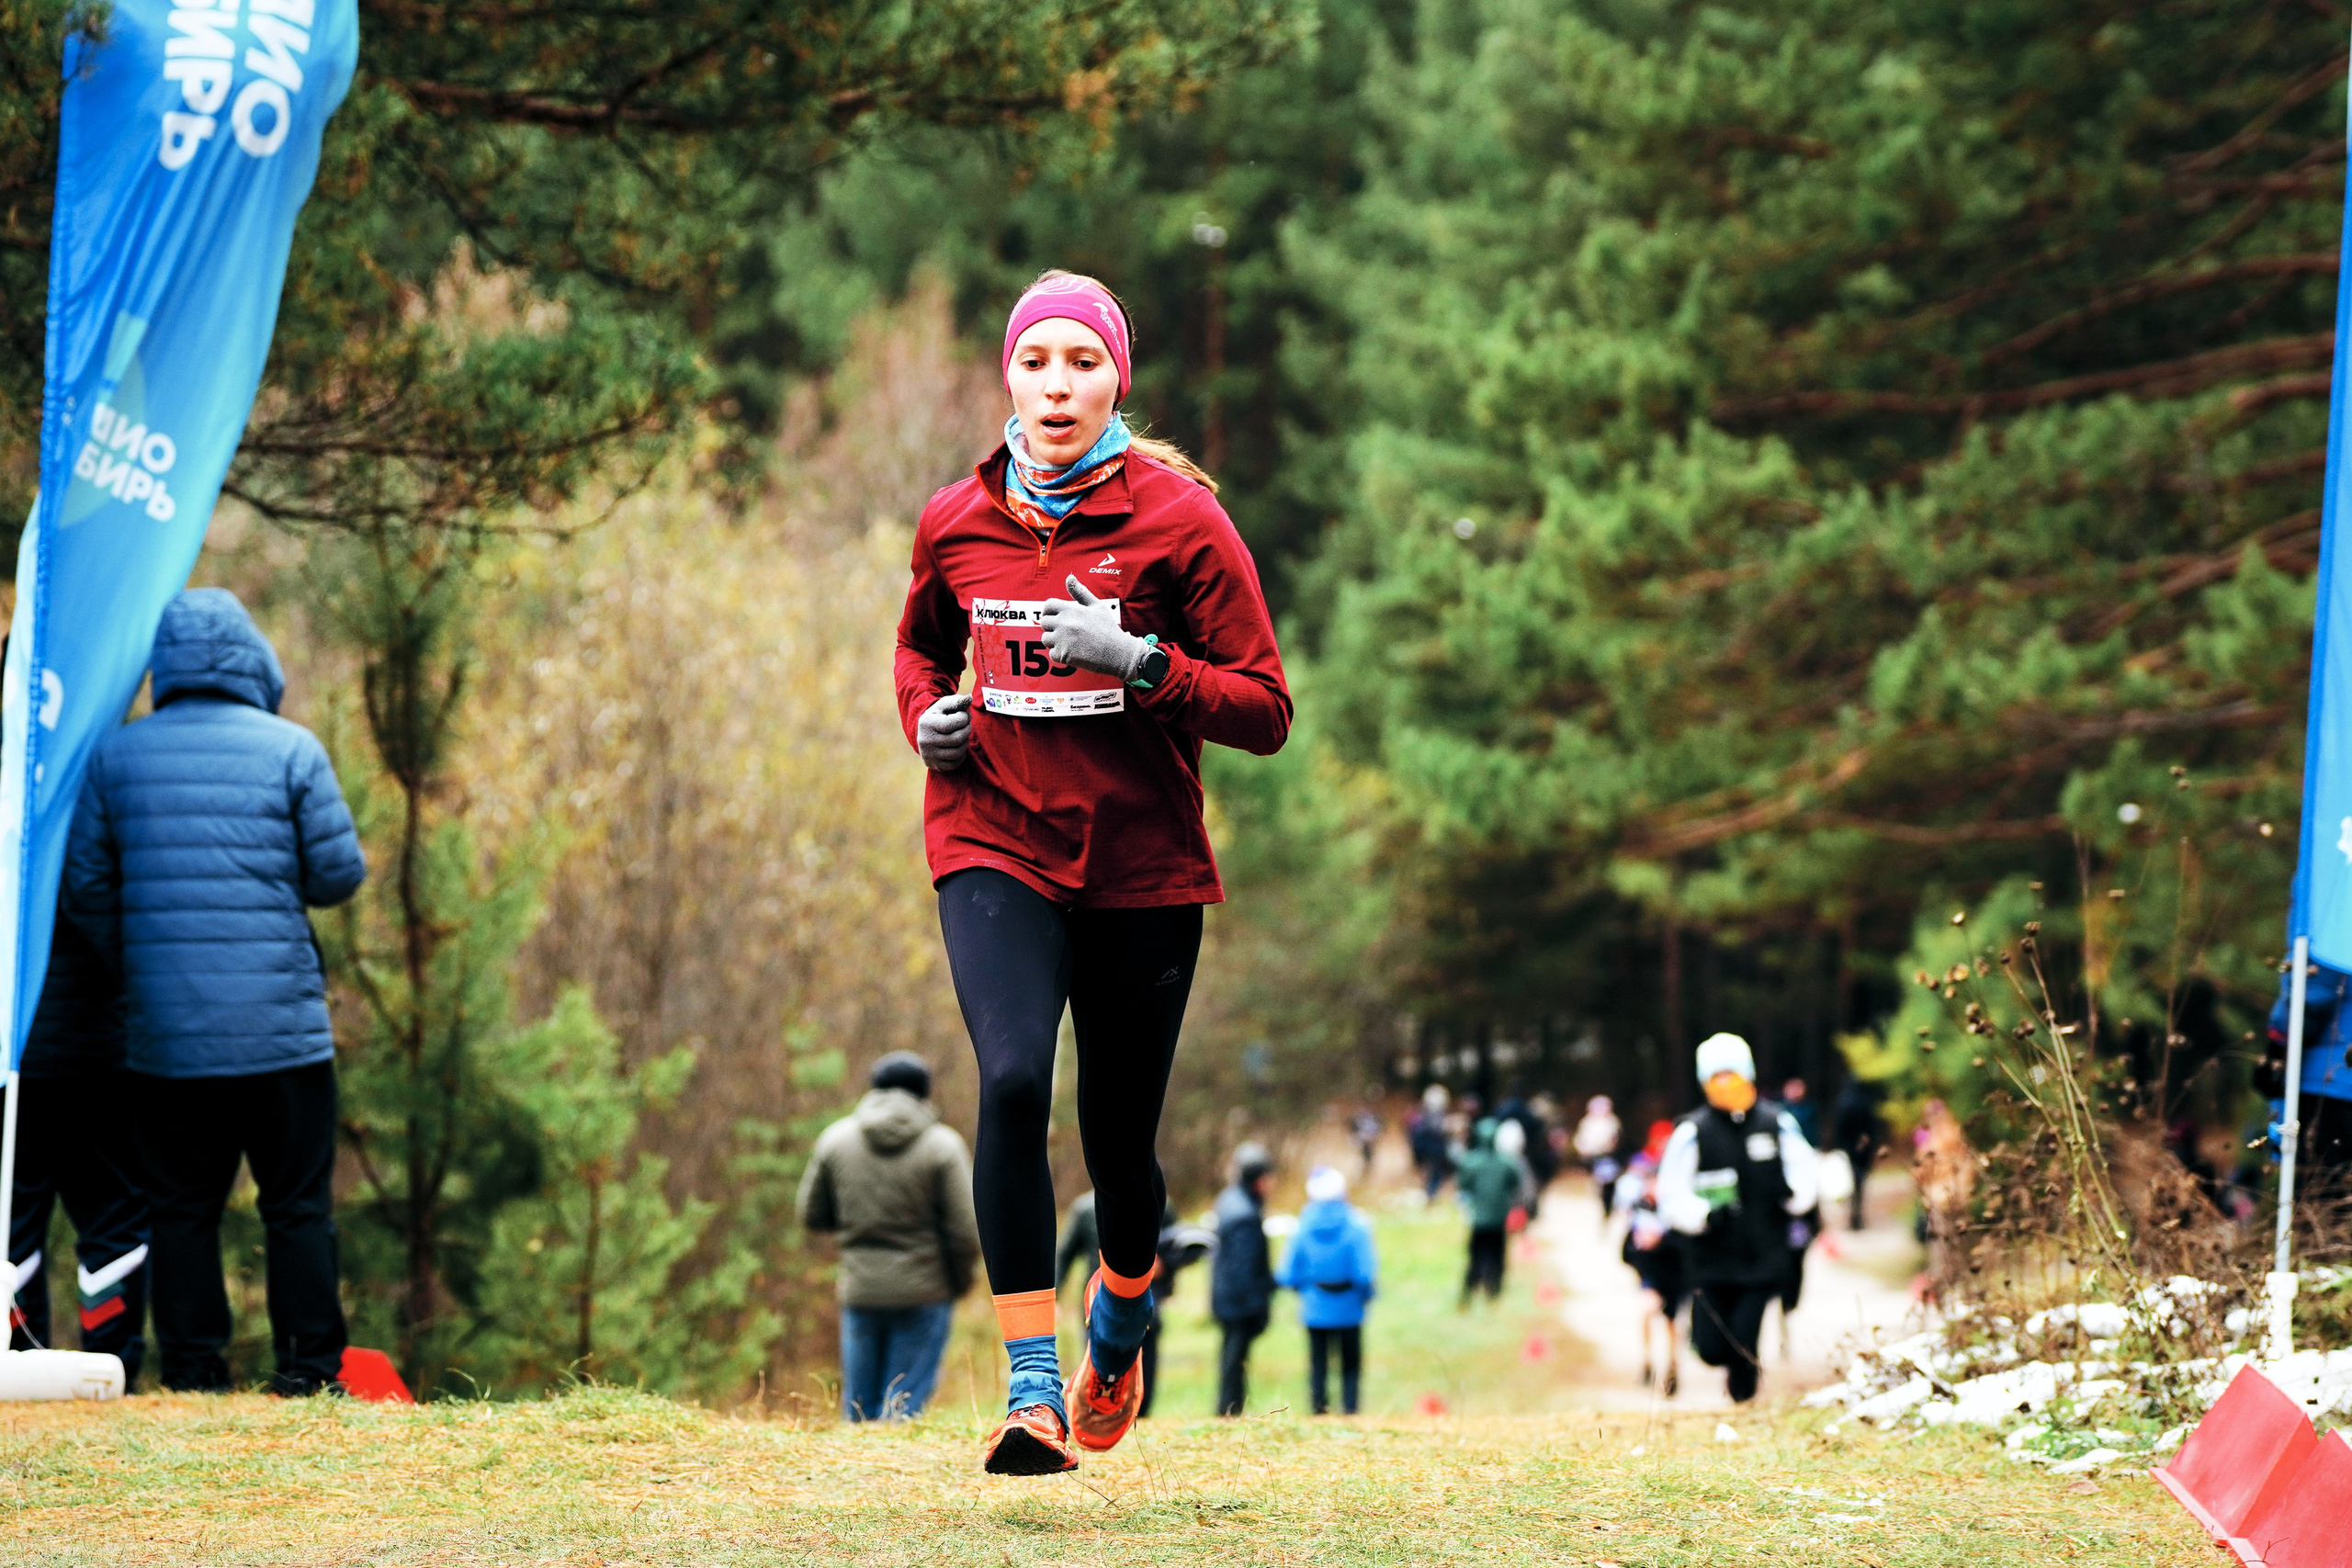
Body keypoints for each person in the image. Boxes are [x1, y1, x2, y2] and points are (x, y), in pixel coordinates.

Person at [895, 269, 1291, 1473]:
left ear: (1117, 375)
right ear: (1005, 374)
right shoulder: (955, 519)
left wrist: (1145, 660)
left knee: (1121, 1142)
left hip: (1140, 864)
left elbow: (1266, 708)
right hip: (993, 834)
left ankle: (1119, 1312)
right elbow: (919, 647)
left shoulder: (1181, 519)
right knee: (1012, 1082)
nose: (1056, 383)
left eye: (1081, 361)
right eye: (1035, 360)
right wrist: (927, 721)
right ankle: (1030, 1391)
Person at [64, 589, 366, 1394]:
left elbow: (87, 884)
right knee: (297, 1207)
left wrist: (144, 962)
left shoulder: (115, 757)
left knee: (181, 1208)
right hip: (283, 1038)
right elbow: (339, 873)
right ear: (253, 659)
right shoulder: (293, 750)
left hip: (168, 1039)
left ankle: (195, 1372)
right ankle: (308, 1371)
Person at [6, 897, 150, 1379]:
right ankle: (111, 1364)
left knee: (12, 1216)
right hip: (98, 1044)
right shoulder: (109, 820)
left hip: (26, 1048)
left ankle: (19, 1359)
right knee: (111, 1214)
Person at [797, 1052, 981, 1422]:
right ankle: (894, 1473)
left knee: (859, 1407)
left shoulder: (836, 1140)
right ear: (924, 1094)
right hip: (926, 1292)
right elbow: (966, 1231)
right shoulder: (943, 1146)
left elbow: (811, 1214)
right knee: (904, 1407)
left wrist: (857, 1227)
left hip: (861, 1289)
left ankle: (853, 1475)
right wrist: (959, 1282)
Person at [1657, 1032, 1818, 1404]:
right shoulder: (1693, 1132)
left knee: (1743, 1339)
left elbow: (1805, 1175)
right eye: (1718, 1076)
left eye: (1733, 1073)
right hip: (1710, 1260)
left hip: (1763, 1257)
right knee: (1711, 1347)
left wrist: (1792, 1197)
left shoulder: (1776, 1124)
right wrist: (1701, 1216)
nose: (1727, 1083)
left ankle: (1744, 1397)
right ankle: (1736, 1371)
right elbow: (1672, 1193)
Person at [1055, 1190, 1210, 1419]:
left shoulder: (1160, 1203)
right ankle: (1098, 1415)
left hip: (1146, 1299)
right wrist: (1054, 1295)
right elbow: (1065, 1254)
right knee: (1097, 1360)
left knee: (1145, 1355)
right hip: (1097, 1302)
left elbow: (1175, 1246)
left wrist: (1165, 1270)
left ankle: (1139, 1414)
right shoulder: (1085, 1209)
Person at [1279, 1166, 1376, 1415]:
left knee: (1318, 1365)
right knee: (1350, 1366)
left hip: (1314, 1308)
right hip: (1350, 1309)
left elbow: (1286, 1274)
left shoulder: (1301, 1227)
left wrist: (1306, 1290)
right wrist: (1365, 1296)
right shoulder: (1357, 1226)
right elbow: (1364, 1274)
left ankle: (1319, 1413)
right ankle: (1350, 1412)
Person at [2263, 956, 2352, 1190]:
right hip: (2336, 1080)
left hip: (2331, 1083)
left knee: (2323, 1191)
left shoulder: (2333, 925)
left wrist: (2276, 1050)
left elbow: (2313, 991)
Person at [1211, 1143, 1278, 1416]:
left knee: (1233, 1358)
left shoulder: (1231, 1200)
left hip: (1227, 1297)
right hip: (1237, 1303)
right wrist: (1257, 1305)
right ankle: (1229, 1411)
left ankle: (1230, 1409)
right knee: (1234, 1360)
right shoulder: (1244, 1215)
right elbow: (1244, 1268)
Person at [1616, 1152, 1682, 1396]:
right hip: (1650, 1274)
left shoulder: (1676, 1211)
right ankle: (1647, 1362)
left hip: (1675, 1274)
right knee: (1647, 1311)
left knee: (1672, 1323)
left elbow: (1686, 1246)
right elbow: (1626, 1249)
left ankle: (1673, 1366)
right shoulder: (1639, 1209)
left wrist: (1662, 1242)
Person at [1453, 1118, 1521, 1303]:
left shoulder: (1470, 1161)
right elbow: (1515, 1184)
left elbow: (1463, 1185)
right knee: (1496, 1255)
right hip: (1498, 1218)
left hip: (1478, 1219)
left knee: (1476, 1255)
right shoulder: (1506, 1162)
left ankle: (1471, 1289)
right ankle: (1493, 1290)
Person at [1829, 1077, 1887, 1231]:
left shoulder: (1844, 1101)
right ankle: (1857, 1215)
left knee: (1850, 1182)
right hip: (1864, 1149)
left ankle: (1853, 1215)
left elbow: (1839, 1127)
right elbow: (1873, 1128)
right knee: (1859, 1183)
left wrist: (1840, 1145)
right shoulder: (1868, 1103)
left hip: (1849, 1149)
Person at [1408, 1085, 1453, 1200]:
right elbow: (1434, 1130)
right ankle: (1430, 1194)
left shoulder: (1427, 1114)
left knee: (1434, 1172)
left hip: (1432, 1150)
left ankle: (1431, 1193)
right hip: (1432, 1150)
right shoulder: (1429, 1116)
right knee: (1433, 1172)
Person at [1573, 1095, 1622, 1173]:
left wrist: (1604, 1147)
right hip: (1588, 1155)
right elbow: (1580, 1137)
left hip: (1605, 1155)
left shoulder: (1612, 1122)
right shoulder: (1586, 1121)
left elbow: (1613, 1140)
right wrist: (1582, 1148)